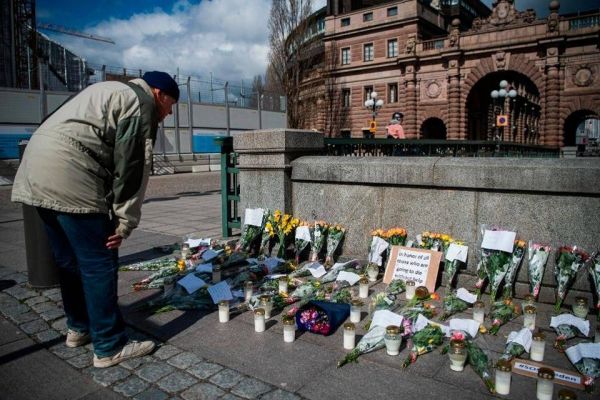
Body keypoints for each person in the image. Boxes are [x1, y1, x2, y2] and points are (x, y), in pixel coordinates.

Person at [11, 71, 179, 368]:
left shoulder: (105, 90)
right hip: (70, 170)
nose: (169, 113)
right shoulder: (141, 103)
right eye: (171, 105)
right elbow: (133, 167)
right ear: (159, 93)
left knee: (68, 261)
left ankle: (78, 327)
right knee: (99, 262)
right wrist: (124, 222)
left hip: (34, 167)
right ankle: (109, 345)